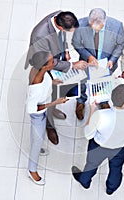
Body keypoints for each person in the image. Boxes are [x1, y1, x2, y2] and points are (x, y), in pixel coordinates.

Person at [25, 10, 88, 145]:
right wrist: (72, 65)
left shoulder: (59, 15)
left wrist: (64, 51)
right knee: (46, 96)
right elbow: (47, 62)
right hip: (43, 67)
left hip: (54, 60)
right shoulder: (39, 36)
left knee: (55, 91)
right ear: (60, 26)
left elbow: (61, 37)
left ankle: (53, 110)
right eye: (68, 31)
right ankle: (49, 125)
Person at [71, 84, 124, 195]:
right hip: (119, 148)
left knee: (91, 165)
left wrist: (92, 111)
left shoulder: (100, 115)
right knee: (116, 169)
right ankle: (111, 188)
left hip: (98, 146)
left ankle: (85, 181)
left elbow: (88, 135)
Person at [71, 8, 124, 120]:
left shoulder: (117, 26)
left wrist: (113, 59)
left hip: (106, 64)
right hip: (86, 63)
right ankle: (81, 101)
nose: (95, 31)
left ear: (105, 21)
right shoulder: (80, 25)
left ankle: (103, 100)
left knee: (103, 83)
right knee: (81, 83)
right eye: (92, 27)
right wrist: (89, 56)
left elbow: (121, 44)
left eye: (99, 29)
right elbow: (76, 43)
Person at [26, 51, 68, 185]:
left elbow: (46, 81)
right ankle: (32, 170)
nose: (53, 62)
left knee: (37, 138)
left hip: (44, 106)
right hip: (38, 115)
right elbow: (32, 108)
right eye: (51, 61)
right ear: (44, 66)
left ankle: (36, 148)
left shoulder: (39, 70)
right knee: (38, 140)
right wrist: (55, 103)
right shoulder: (36, 87)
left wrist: (53, 82)